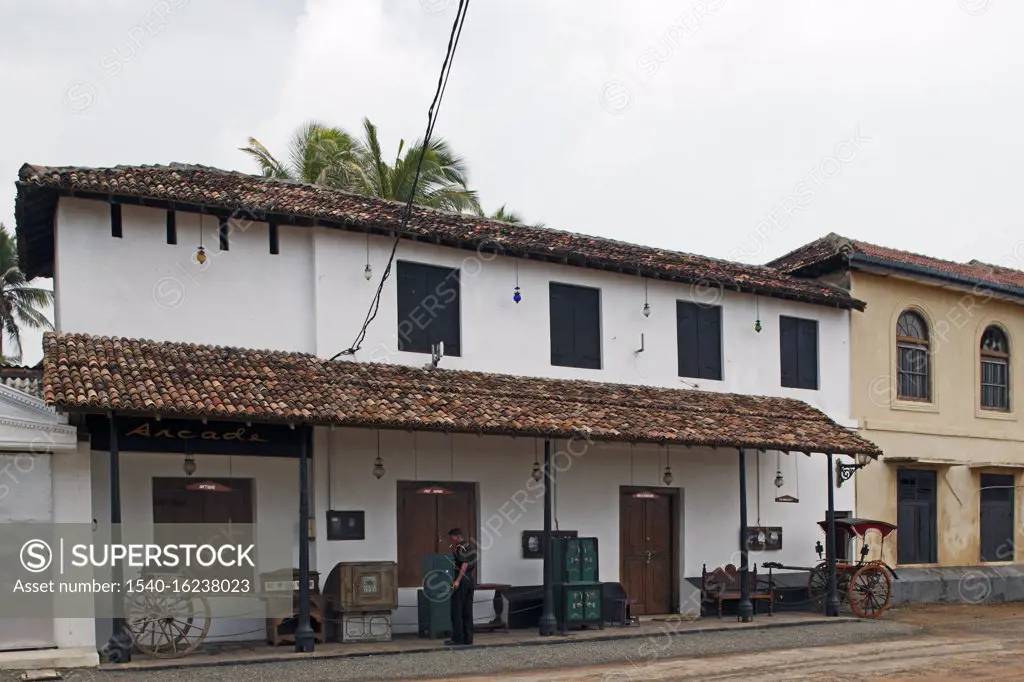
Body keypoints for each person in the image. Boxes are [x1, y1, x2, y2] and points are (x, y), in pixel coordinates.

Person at [445, 527, 476, 646]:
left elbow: (464, 563)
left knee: (457, 609)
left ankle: (458, 638)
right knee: (467, 609)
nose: (451, 540)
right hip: (469, 579)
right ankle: (468, 638)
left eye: (452, 537)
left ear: (457, 536)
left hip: (462, 578)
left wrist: (457, 581)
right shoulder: (469, 547)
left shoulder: (460, 547)